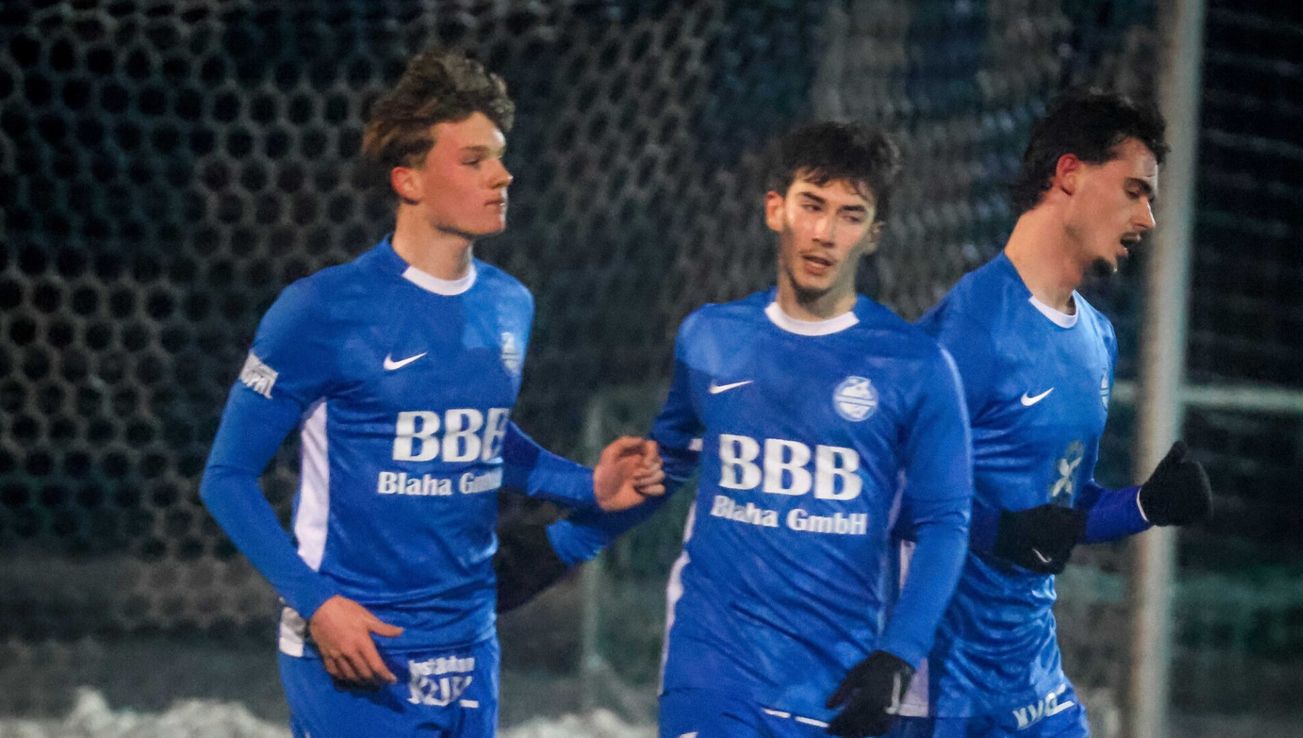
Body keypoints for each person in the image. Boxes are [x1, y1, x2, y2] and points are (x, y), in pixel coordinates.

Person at [199, 47, 663, 738]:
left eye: (500, 157)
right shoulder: (322, 310)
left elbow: (478, 436)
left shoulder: (511, 304)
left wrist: (587, 486)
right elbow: (226, 478)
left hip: (470, 640)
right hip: (357, 648)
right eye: (473, 160)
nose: (502, 175)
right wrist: (317, 605)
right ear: (408, 180)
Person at [499, 121, 975, 737]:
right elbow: (664, 465)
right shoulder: (712, 339)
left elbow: (945, 524)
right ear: (775, 208)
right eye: (812, 205)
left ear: (874, 235)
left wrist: (899, 655)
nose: (825, 233)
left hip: (836, 675)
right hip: (715, 663)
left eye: (850, 215)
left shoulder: (917, 367)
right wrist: (566, 544)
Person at [890, 90, 1213, 738]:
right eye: (1133, 191)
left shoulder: (1096, 339)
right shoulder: (968, 329)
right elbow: (881, 492)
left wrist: (1145, 505)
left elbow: (1057, 509)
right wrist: (998, 531)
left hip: (1031, 680)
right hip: (936, 692)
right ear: (1068, 175)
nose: (1148, 218)